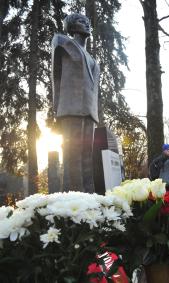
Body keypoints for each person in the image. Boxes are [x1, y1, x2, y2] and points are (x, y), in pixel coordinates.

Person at [52, 13, 100, 192]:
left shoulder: (93, 59)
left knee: (88, 159)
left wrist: (94, 113)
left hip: (89, 112)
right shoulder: (62, 42)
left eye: (88, 22)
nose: (86, 24)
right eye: (81, 21)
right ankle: (74, 202)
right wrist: (56, 108)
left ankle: (90, 198)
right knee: (73, 158)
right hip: (70, 108)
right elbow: (56, 76)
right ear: (71, 26)